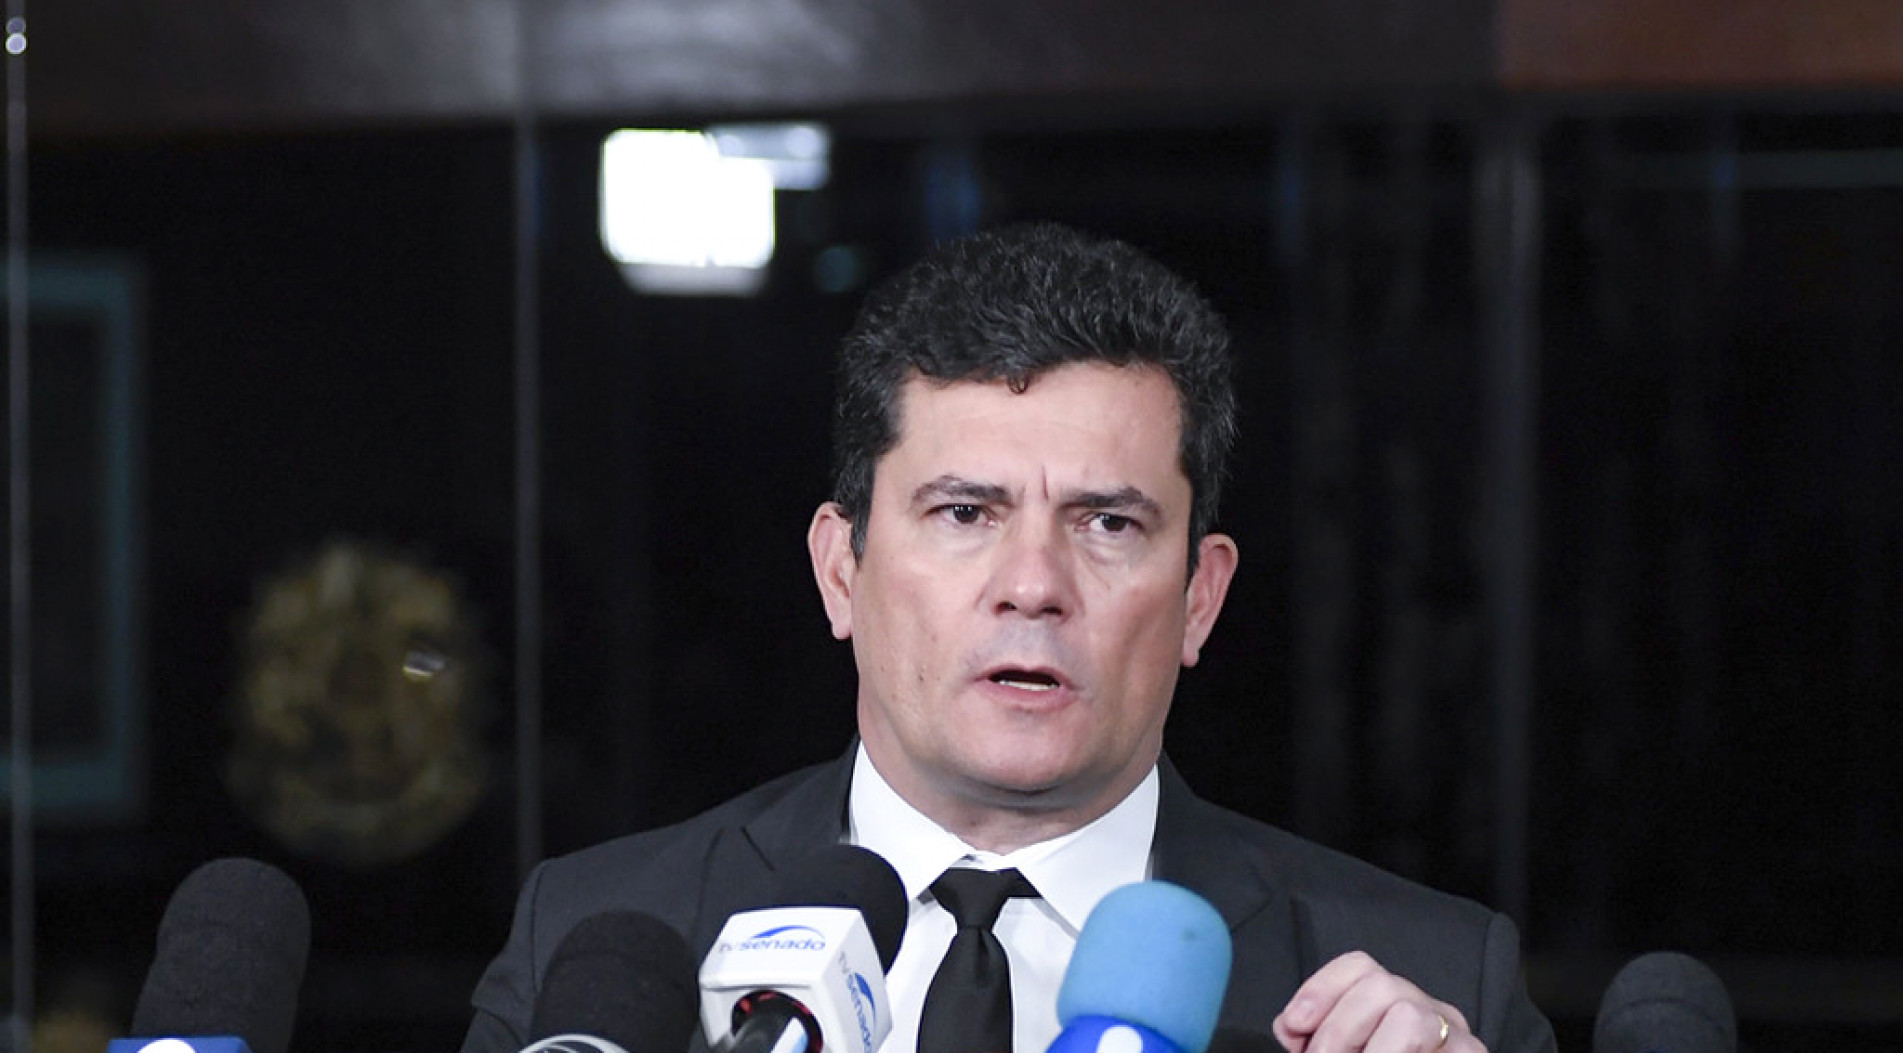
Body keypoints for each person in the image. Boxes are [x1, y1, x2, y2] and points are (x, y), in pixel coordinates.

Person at [460, 223, 1556, 1053]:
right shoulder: (600, 948)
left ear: (1198, 597)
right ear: (840, 570)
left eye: (1108, 524)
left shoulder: (1424, 983)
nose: (1033, 586)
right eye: (964, 513)